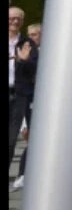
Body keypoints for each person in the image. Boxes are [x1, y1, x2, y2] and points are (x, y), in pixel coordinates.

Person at [9, 21, 38, 191]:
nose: (15, 21)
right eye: (11, 17)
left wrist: (23, 60)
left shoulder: (27, 45)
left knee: (12, 140)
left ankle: (22, 174)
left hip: (20, 95)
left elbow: (33, 69)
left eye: (18, 18)